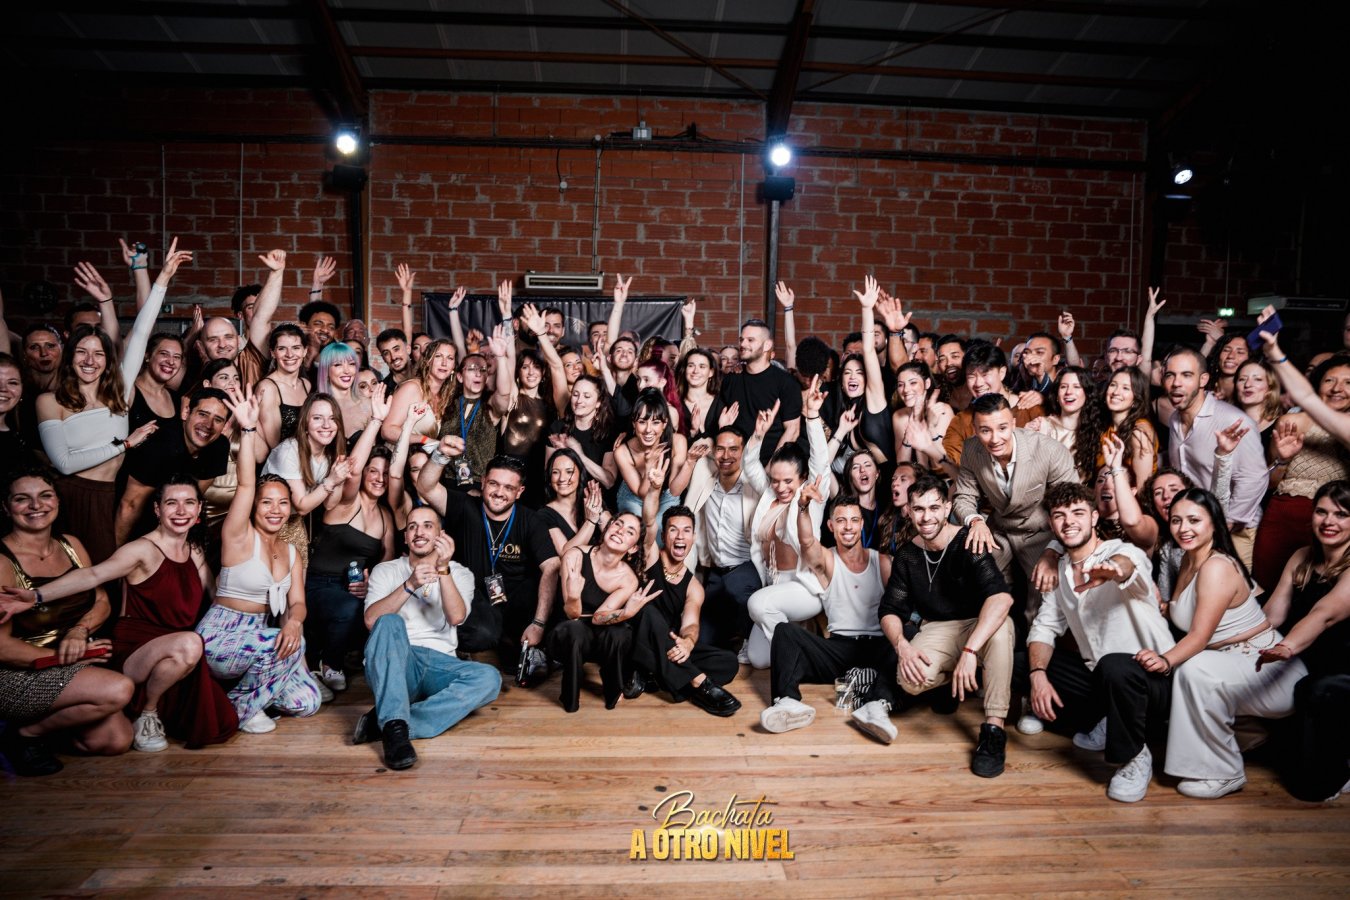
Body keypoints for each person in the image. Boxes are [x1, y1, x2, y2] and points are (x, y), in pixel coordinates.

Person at [6, 473, 236, 751]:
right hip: (135, 649)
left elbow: (217, 596)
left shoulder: (194, 549)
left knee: (222, 715)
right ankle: (147, 714)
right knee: (190, 643)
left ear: (199, 509)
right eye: (171, 503)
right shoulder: (141, 549)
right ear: (157, 509)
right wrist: (36, 595)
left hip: (174, 650)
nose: (180, 510)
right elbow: (92, 576)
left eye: (188, 503)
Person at [1139, 488, 1306, 799]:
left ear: (1214, 523)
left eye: (1194, 520)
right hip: (1233, 663)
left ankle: (1224, 772)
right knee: (1194, 666)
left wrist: (1165, 660)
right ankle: (1247, 734)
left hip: (1267, 666)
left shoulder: (1216, 566)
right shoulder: (1189, 559)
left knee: (1193, 669)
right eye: (1176, 520)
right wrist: (1163, 607)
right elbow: (1191, 612)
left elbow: (1200, 637)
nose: (1183, 528)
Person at [37, 240, 188, 568]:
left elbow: (143, 330)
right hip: (68, 494)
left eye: (98, 354)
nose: (89, 360)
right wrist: (125, 444)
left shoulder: (118, 392)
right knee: (64, 574)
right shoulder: (49, 401)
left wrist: (163, 277)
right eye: (81, 352)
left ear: (108, 360)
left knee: (103, 572)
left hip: (106, 494)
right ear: (70, 356)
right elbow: (64, 463)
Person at [1026, 482, 1175, 802]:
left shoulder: (1123, 551)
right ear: (1052, 524)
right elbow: (1044, 627)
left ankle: (1135, 756)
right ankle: (1110, 719)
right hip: (1103, 678)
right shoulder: (1061, 570)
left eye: (1078, 513)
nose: (1069, 522)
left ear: (1094, 518)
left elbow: (1128, 566)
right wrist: (1037, 676)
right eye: (1060, 515)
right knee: (1026, 660)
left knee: (1114, 666)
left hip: (1154, 680)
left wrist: (1111, 571)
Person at [859, 474, 1012, 777]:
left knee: (1002, 630)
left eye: (933, 508)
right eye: (919, 509)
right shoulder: (907, 555)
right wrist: (902, 646)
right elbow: (889, 610)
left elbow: (1001, 599)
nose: (926, 517)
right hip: (938, 628)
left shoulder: (969, 541)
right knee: (909, 680)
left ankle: (994, 731)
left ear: (947, 508)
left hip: (979, 624)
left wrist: (969, 651)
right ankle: (948, 684)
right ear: (909, 511)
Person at [197, 390, 321, 734]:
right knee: (282, 646)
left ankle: (241, 694)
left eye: (283, 503)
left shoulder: (291, 552)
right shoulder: (238, 535)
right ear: (254, 506)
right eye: (267, 502)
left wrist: (294, 623)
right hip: (222, 635)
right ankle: (234, 710)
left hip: (262, 638)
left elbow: (297, 604)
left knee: (307, 701)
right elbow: (246, 484)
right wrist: (249, 430)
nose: (275, 510)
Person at [0, 468, 134, 775]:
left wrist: (78, 632)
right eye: (22, 499)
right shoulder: (2, 560)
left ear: (57, 501)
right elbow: (2, 647)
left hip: (71, 664)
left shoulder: (70, 544)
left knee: (115, 740)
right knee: (119, 689)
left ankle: (39, 731)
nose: (36, 505)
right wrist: (68, 656)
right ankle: (21, 736)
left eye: (45, 496)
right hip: (17, 674)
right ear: (6, 507)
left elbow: (101, 601)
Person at [353, 506, 501, 770]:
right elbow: (371, 621)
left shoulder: (460, 573)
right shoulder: (385, 571)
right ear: (406, 538)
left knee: (489, 678)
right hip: (398, 663)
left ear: (441, 535)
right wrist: (410, 584)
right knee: (389, 621)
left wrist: (443, 570)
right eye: (412, 526)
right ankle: (395, 726)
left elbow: (457, 617)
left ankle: (391, 725)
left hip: (440, 664)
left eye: (427, 526)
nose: (419, 532)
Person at [759, 484, 896, 738]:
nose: (848, 527)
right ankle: (787, 702)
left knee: (906, 635)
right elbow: (806, 541)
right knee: (785, 632)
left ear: (862, 524)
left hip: (877, 647)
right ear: (831, 526)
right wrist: (802, 506)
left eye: (854, 520)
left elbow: (898, 609)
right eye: (841, 521)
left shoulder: (882, 562)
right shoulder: (827, 560)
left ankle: (876, 707)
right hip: (839, 651)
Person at [416, 449, 560, 660]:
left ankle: (517, 644)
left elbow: (552, 566)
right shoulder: (464, 506)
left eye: (509, 487)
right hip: (476, 597)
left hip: (515, 600)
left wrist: (538, 624)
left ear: (519, 492)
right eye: (494, 483)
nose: (499, 492)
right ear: (483, 482)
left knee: (554, 593)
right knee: (483, 635)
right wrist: (441, 454)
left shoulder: (531, 520)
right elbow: (425, 486)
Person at [1260, 480, 1350, 801]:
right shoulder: (1302, 557)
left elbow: (1324, 614)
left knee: (1305, 787)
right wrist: (1237, 640)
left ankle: (1339, 772)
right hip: (1307, 660)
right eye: (1321, 512)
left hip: (1342, 671)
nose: (1329, 521)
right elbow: (1273, 614)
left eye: (1341, 514)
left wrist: (1286, 646)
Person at [743, 385, 842, 669]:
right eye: (775, 480)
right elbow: (750, 466)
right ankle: (800, 639)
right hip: (775, 585)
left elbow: (820, 462)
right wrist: (758, 435)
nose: (780, 487)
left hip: (804, 588)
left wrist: (812, 417)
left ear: (802, 478)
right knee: (758, 659)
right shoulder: (769, 497)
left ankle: (806, 657)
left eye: (788, 481)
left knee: (757, 605)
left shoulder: (808, 499)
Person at [952, 393, 1078, 611]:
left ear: (1013, 423)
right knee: (973, 584)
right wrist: (975, 521)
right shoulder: (971, 449)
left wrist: (1054, 550)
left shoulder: (1048, 450)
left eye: (1002, 428)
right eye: (985, 430)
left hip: (1042, 533)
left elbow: (1072, 505)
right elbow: (964, 496)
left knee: (1044, 599)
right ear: (975, 429)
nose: (995, 439)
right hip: (998, 530)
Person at [305, 388, 395, 695]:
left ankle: (325, 658)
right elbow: (352, 470)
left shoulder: (385, 517)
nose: (379, 478)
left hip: (352, 586)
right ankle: (329, 664)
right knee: (351, 608)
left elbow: (386, 561)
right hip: (317, 583)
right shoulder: (347, 501)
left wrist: (371, 582)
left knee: (375, 608)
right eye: (373, 471)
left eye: (385, 473)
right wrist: (376, 421)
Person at [629, 485, 741, 715]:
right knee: (647, 611)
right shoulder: (651, 556)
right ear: (663, 536)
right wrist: (654, 490)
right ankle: (699, 683)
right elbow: (648, 521)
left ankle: (657, 674)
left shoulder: (694, 587)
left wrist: (688, 642)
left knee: (729, 662)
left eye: (686, 531)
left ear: (693, 537)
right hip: (637, 637)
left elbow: (690, 624)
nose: (680, 536)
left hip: (666, 647)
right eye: (673, 530)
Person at [1251, 354, 1350, 591]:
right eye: (1329, 380)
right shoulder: (1291, 421)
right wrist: (1282, 460)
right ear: (1316, 385)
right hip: (1283, 514)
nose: (1337, 388)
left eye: (1348, 382)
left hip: (1334, 520)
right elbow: (1270, 482)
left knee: (1318, 591)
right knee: (1266, 586)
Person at [1163, 347, 1266, 568]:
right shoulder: (1174, 420)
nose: (1176, 383)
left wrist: (1225, 524)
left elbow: (1254, 478)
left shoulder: (1233, 420)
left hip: (1235, 530)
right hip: (1195, 527)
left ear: (1203, 380)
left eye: (1186, 375)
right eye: (1170, 375)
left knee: (1228, 587)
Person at [550, 512, 653, 712]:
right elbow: (572, 615)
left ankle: (612, 690)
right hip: (567, 633)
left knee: (621, 632)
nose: (620, 531)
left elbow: (598, 618)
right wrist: (573, 597)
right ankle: (570, 699)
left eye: (629, 531)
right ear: (607, 528)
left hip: (599, 636)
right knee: (575, 630)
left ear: (633, 548)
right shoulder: (575, 556)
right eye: (618, 524)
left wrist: (626, 614)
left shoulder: (628, 579)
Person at [114, 388, 232, 543]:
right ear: (186, 413)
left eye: (218, 419)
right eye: (202, 414)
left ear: (225, 426)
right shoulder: (159, 446)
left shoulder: (219, 446)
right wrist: (117, 552)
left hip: (169, 523)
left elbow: (193, 498)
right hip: (126, 518)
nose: (208, 425)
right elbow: (130, 505)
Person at [685, 423, 762, 651]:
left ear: (744, 452)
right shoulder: (707, 483)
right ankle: (731, 635)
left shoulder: (754, 487)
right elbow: (702, 448)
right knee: (702, 642)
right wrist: (704, 433)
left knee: (737, 588)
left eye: (734, 449)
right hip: (717, 573)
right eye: (720, 449)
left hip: (748, 569)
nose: (726, 456)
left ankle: (749, 638)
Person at [711, 317, 804, 466]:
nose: (743, 344)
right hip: (734, 464)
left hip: (768, 464)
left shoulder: (786, 383)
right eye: (741, 340)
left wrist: (772, 467)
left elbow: (792, 430)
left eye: (750, 340)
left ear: (767, 345)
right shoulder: (731, 379)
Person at [940, 342, 1044, 472]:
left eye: (985, 374)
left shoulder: (1031, 409)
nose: (978, 383)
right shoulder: (962, 420)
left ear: (1002, 373)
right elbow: (952, 461)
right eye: (971, 376)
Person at [546, 374, 618, 490]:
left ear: (598, 402)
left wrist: (578, 454)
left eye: (586, 396)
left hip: (597, 498)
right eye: (575, 395)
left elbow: (609, 481)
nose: (579, 401)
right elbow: (549, 475)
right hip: (565, 495)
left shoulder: (609, 432)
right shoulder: (557, 427)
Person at [255, 323, 312, 455]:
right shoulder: (268, 388)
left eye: (296, 348)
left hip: (307, 456)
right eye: (282, 349)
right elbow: (275, 445)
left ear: (305, 351)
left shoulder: (306, 384)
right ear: (273, 353)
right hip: (281, 460)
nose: (289, 354)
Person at [316, 341, 372, 439]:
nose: (347, 371)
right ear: (326, 370)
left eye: (351, 364)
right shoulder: (315, 406)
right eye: (338, 364)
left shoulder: (367, 405)